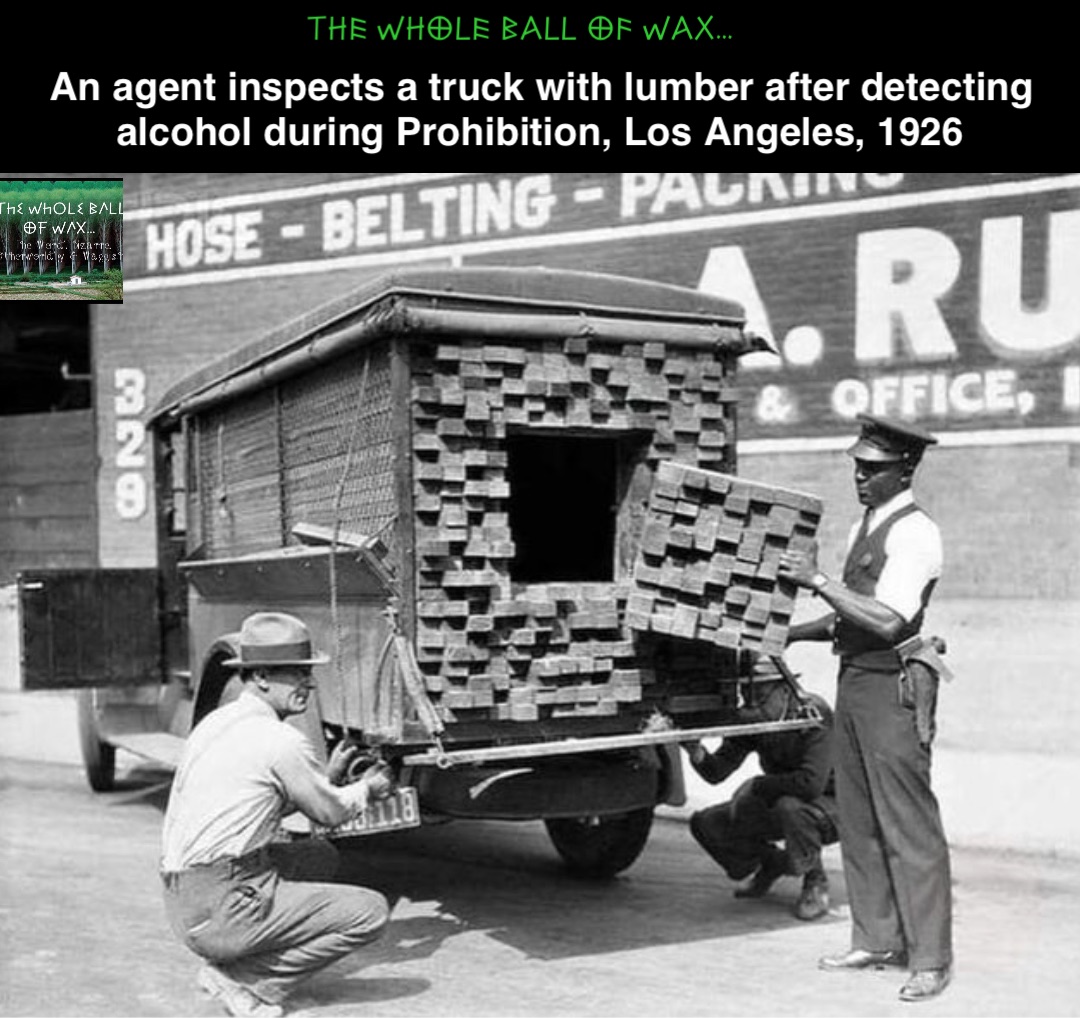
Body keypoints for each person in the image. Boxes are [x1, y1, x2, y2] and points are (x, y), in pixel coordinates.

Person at [778, 413, 953, 1003]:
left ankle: (929, 958)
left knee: (909, 824)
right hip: (854, 681)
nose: (860, 476)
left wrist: (819, 579)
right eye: (857, 466)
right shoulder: (864, 526)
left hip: (892, 688)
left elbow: (887, 618)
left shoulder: (916, 532)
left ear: (905, 469)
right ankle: (877, 937)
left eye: (873, 468)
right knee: (859, 819)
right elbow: (848, 613)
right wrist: (790, 634)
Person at [161, 611, 394, 1018]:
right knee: (370, 912)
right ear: (263, 676)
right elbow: (330, 813)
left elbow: (255, 798)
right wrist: (366, 790)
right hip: (222, 901)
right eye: (297, 673)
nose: (308, 682)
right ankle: (248, 981)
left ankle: (236, 957)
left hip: (184, 896)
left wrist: (326, 777)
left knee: (319, 857)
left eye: (308, 672)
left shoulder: (218, 722)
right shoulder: (280, 739)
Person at [683, 658, 838, 922]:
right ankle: (773, 863)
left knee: (789, 806)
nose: (751, 701)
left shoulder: (813, 712)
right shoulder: (756, 719)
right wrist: (695, 751)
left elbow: (810, 783)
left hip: (835, 806)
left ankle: (815, 880)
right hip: (785, 802)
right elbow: (717, 771)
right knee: (708, 823)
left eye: (759, 693)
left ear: (784, 689)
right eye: (746, 694)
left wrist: (757, 785)